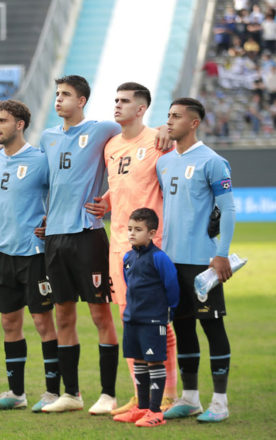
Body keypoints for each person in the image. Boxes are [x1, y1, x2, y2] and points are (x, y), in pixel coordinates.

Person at [84, 83, 179, 415]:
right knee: (129, 321)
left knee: (156, 322)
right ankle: (140, 397)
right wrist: (106, 202)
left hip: (150, 249)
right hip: (118, 248)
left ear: (141, 109)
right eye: (116, 100)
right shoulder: (110, 146)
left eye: (125, 101)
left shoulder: (159, 142)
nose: (117, 105)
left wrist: (170, 131)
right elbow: (122, 183)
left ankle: (167, 394)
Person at [37, 75, 121, 414]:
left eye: (66, 95)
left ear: (82, 100)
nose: (59, 100)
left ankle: (108, 394)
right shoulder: (47, 137)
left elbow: (135, 145)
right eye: (57, 94)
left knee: (100, 313)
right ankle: (70, 394)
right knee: (63, 315)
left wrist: (111, 199)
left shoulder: (102, 130)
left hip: (88, 234)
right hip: (54, 239)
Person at [157, 98, 235, 423]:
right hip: (171, 262)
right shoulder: (163, 162)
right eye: (168, 115)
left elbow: (228, 209)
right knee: (183, 326)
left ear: (194, 123)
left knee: (212, 326)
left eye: (176, 116)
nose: (170, 121)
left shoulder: (213, 162)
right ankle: (190, 398)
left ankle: (220, 402)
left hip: (203, 262)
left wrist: (220, 254)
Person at [0, 100, 59, 412]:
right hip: (1, 252)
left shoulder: (40, 160)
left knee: (43, 322)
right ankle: (16, 393)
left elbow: (63, 192)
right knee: (9, 321)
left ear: (20, 125)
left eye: (2, 121)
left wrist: (49, 221)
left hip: (33, 254)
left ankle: (54, 393)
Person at [112, 208, 179, 427]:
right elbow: (129, 283)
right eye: (130, 229)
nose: (131, 233)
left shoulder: (159, 258)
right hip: (133, 319)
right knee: (138, 361)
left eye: (138, 229)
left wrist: (168, 311)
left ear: (151, 233)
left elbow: (171, 287)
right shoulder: (128, 257)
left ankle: (155, 412)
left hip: (153, 320)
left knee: (154, 361)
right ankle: (141, 408)